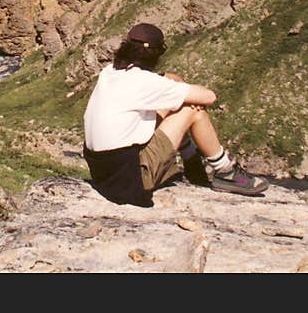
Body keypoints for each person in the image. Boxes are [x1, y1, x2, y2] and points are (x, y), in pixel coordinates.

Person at [83, 22, 269, 207]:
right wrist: (183, 93)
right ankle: (225, 171)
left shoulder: (109, 73)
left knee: (174, 99)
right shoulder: (145, 82)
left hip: (104, 173)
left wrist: (173, 81)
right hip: (130, 180)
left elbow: (160, 81)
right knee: (192, 110)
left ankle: (193, 163)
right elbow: (209, 97)